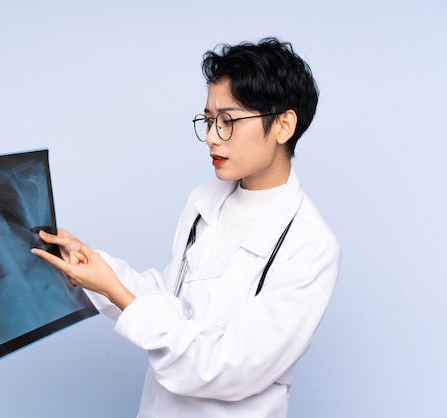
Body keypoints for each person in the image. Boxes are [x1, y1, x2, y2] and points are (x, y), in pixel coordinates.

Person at [31, 37, 341, 418]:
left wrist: (115, 290)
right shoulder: (203, 200)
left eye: (228, 121)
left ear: (283, 125)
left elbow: (229, 368)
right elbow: (172, 298)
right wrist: (93, 268)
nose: (211, 136)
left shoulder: (311, 246)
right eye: (209, 120)